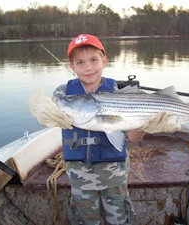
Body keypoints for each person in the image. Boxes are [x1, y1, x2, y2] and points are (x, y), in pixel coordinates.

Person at [59, 34, 145, 225]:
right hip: (79, 174)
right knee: (85, 220)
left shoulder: (119, 95)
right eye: (80, 62)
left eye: (94, 60)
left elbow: (134, 138)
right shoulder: (64, 94)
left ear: (104, 61)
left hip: (114, 174)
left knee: (119, 219)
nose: (88, 67)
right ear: (71, 67)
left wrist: (145, 124)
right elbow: (50, 112)